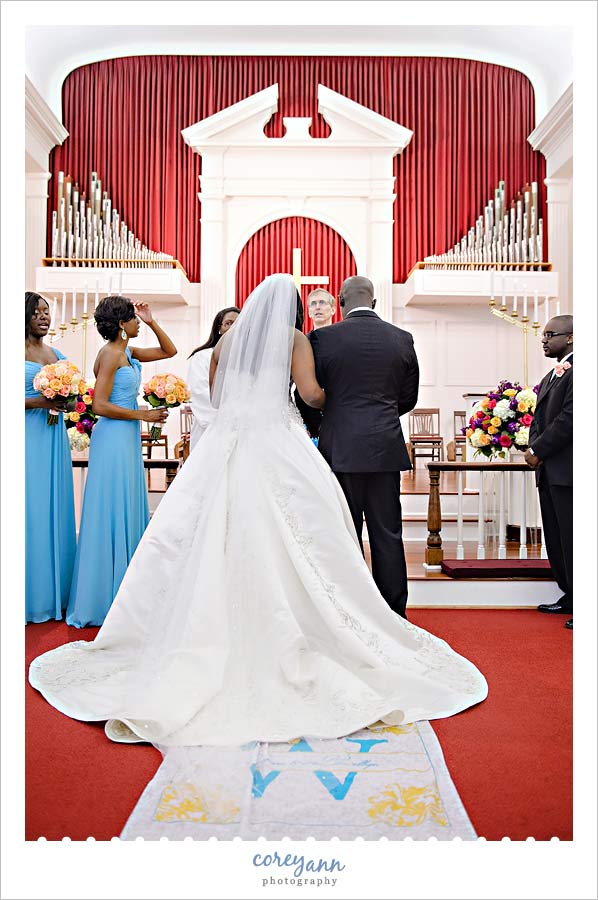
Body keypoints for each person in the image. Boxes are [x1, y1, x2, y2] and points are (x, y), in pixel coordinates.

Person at [29, 274, 486, 747]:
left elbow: (220, 396)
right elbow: (309, 395)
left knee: (212, 531)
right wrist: (338, 402)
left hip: (230, 443)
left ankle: (204, 627)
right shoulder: (294, 339)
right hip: (279, 441)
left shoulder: (227, 341)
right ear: (291, 309)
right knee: (306, 531)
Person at [298, 275, 418, 619]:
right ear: (375, 302)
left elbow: (307, 394)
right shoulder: (402, 339)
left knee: (343, 533)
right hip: (385, 449)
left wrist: (327, 423)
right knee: (388, 533)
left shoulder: (322, 338)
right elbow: (408, 398)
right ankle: (394, 613)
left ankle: (346, 611)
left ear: (340, 301)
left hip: (340, 451)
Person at [65, 296, 176, 628]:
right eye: (133, 318)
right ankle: (105, 596)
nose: (137, 322)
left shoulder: (127, 351)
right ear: (119, 325)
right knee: (111, 506)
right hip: (112, 437)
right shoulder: (111, 354)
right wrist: (143, 413)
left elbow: (169, 351)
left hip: (125, 437)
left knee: (126, 504)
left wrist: (152, 319)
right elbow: (99, 405)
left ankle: (127, 592)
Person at [25, 292, 76, 623]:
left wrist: (67, 400)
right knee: (30, 507)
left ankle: (55, 592)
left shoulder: (55, 353)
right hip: (27, 438)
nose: (44, 317)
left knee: (54, 508)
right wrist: (42, 403)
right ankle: (30, 594)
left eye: (47, 312)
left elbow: (73, 399)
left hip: (54, 438)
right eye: (37, 312)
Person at [525, 315, 573, 630]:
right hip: (550, 471)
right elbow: (543, 418)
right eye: (543, 335)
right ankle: (570, 594)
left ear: (570, 337)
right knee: (556, 538)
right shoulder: (554, 373)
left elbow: (571, 417)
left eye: (550, 335)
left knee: (573, 538)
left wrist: (538, 450)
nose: (543, 340)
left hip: (568, 470)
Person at [186, 307, 240, 450]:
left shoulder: (246, 360)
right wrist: (228, 423)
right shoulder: (202, 357)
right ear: (219, 328)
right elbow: (200, 393)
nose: (233, 328)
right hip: (210, 431)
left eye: (238, 324)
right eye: (228, 323)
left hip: (241, 432)